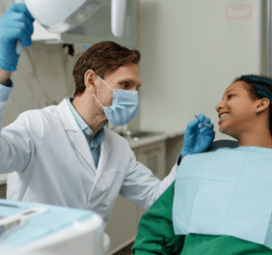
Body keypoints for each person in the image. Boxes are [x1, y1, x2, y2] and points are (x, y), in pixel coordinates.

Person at [0, 3, 215, 229]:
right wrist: (2, 72)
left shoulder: (118, 149)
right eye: (125, 85)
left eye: (136, 88)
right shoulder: (39, 126)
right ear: (91, 80)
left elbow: (155, 197)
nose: (133, 96)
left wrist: (187, 158)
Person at [132, 75, 272, 255]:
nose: (218, 105)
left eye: (230, 96)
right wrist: (188, 160)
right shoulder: (201, 165)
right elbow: (154, 232)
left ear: (261, 104)